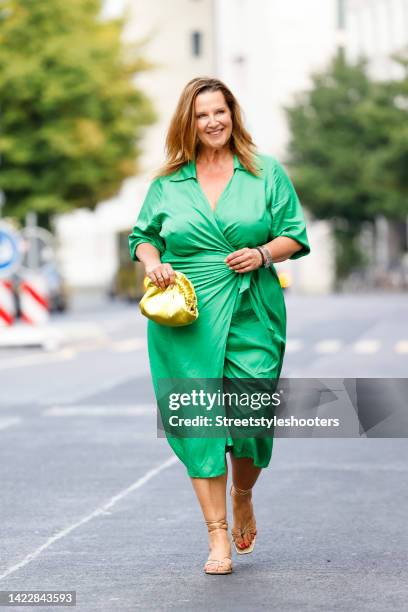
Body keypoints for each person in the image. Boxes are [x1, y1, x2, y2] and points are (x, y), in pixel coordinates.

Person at [128, 77, 311, 575]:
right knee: (201, 419)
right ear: (188, 123)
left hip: (253, 305)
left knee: (250, 417)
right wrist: (152, 262)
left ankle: (243, 493)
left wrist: (261, 253)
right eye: (202, 114)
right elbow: (144, 237)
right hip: (187, 314)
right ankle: (216, 537)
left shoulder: (264, 172)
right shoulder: (168, 183)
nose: (212, 122)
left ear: (233, 115)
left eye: (220, 112)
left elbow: (293, 234)